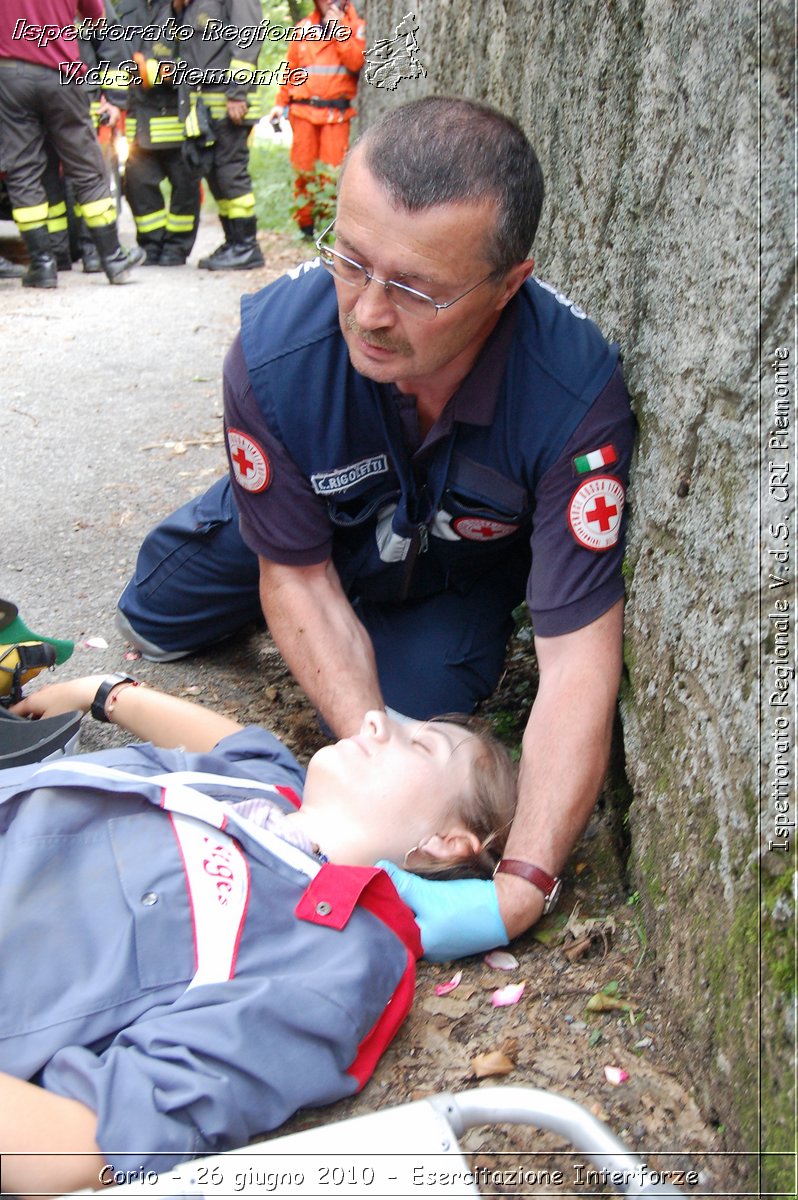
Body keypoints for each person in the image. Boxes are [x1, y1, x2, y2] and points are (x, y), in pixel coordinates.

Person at [117, 96, 637, 961]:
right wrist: (368, 736)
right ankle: (271, 507)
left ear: (509, 284)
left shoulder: (574, 394)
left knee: (430, 689)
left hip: (450, 569)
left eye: (416, 289)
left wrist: (528, 878)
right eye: (351, 263)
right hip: (307, 540)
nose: (365, 312)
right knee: (158, 612)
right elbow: (296, 575)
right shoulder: (278, 351)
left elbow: (579, 654)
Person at [1, 671, 515, 1195]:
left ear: (448, 843)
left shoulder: (336, 964)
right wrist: (101, 692)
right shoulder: (268, 781)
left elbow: (95, 1143)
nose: (376, 719)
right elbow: (234, 738)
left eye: (420, 744)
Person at [0, 0, 144, 286]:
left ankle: (42, 265)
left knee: (23, 171)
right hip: (61, 75)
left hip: (9, 76)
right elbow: (99, 19)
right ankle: (113, 259)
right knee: (87, 166)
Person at [168, 0, 265, 271]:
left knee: (230, 173)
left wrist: (237, 92)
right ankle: (234, 241)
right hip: (206, 103)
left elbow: (248, 35)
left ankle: (246, 246)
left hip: (229, 101)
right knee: (215, 175)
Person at [269, 0, 366, 240]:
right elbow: (290, 71)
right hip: (302, 113)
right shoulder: (303, 27)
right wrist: (279, 104)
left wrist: (338, 29)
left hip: (335, 115)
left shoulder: (356, 26)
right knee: (303, 171)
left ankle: (329, 227)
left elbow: (356, 61)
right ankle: (305, 228)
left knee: (332, 173)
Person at [120, 0, 202, 266]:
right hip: (138, 120)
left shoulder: (184, 8)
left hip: (176, 119)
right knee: (139, 185)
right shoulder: (126, 7)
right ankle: (151, 244)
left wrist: (148, 71)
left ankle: (176, 248)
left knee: (185, 186)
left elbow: (195, 61)